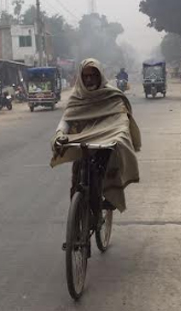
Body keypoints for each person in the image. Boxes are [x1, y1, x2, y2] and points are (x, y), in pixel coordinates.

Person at [51, 58, 141, 213]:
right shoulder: (76, 97)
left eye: (93, 75)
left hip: (106, 141)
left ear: (100, 76)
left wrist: (118, 137)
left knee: (109, 163)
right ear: (81, 77)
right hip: (83, 142)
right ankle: (76, 228)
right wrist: (59, 133)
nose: (89, 79)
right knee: (77, 180)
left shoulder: (113, 95)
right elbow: (66, 119)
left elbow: (121, 120)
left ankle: (110, 196)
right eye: (85, 76)